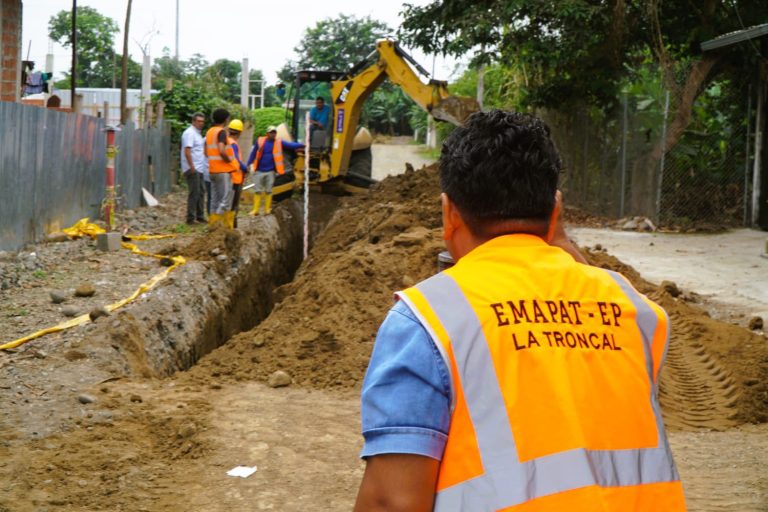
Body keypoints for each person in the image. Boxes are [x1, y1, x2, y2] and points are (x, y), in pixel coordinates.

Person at [353, 110, 686, 511]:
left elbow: (392, 502)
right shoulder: (635, 311)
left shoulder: (426, 320)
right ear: (555, 210)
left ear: (449, 213)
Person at [246, 125, 305, 215]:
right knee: (258, 190)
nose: (273, 134)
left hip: (270, 171)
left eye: (274, 133)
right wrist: (248, 164)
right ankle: (255, 210)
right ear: (267, 133)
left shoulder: (279, 142)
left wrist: (303, 145)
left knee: (269, 190)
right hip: (259, 170)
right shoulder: (260, 141)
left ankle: (267, 209)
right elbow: (253, 153)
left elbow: (291, 145)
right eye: (271, 133)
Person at [204, 108, 238, 226]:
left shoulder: (209, 132)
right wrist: (228, 159)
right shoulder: (221, 132)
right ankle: (218, 225)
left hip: (212, 170)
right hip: (222, 171)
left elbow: (205, 151)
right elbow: (221, 149)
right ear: (225, 119)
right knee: (225, 200)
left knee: (214, 200)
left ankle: (212, 225)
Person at [180, 112, 207, 224]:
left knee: (201, 192)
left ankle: (200, 216)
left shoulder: (197, 134)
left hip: (199, 168)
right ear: (193, 121)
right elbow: (187, 151)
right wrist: (192, 167)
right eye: (199, 121)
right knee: (194, 193)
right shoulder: (190, 133)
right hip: (193, 168)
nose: (201, 123)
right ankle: (191, 218)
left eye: (202, 121)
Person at [227, 119, 248, 228]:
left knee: (228, 203)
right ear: (239, 133)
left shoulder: (226, 141)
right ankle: (231, 227)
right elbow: (236, 161)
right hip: (235, 178)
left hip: (229, 177)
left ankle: (229, 225)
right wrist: (245, 168)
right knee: (233, 204)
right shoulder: (233, 144)